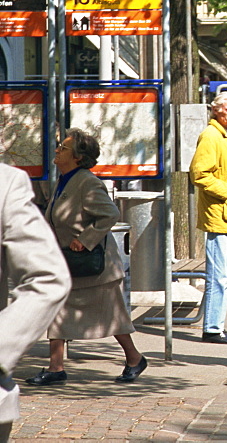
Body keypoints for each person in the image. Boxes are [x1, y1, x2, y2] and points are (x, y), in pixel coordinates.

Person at [26, 129, 147, 387]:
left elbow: (109, 214)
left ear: (78, 157)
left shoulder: (87, 182)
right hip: (68, 263)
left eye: (64, 148)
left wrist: (85, 238)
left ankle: (135, 358)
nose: (57, 151)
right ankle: (55, 367)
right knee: (56, 310)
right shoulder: (63, 180)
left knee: (115, 318)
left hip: (95, 267)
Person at [0, 164, 71, 440]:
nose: (56, 156)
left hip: (89, 264)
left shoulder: (5, 183)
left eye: (63, 150)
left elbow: (49, 278)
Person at [190, 92, 227, 345]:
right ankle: (212, 328)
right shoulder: (212, 136)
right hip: (220, 213)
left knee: (225, 274)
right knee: (218, 275)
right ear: (215, 110)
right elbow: (199, 174)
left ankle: (217, 326)